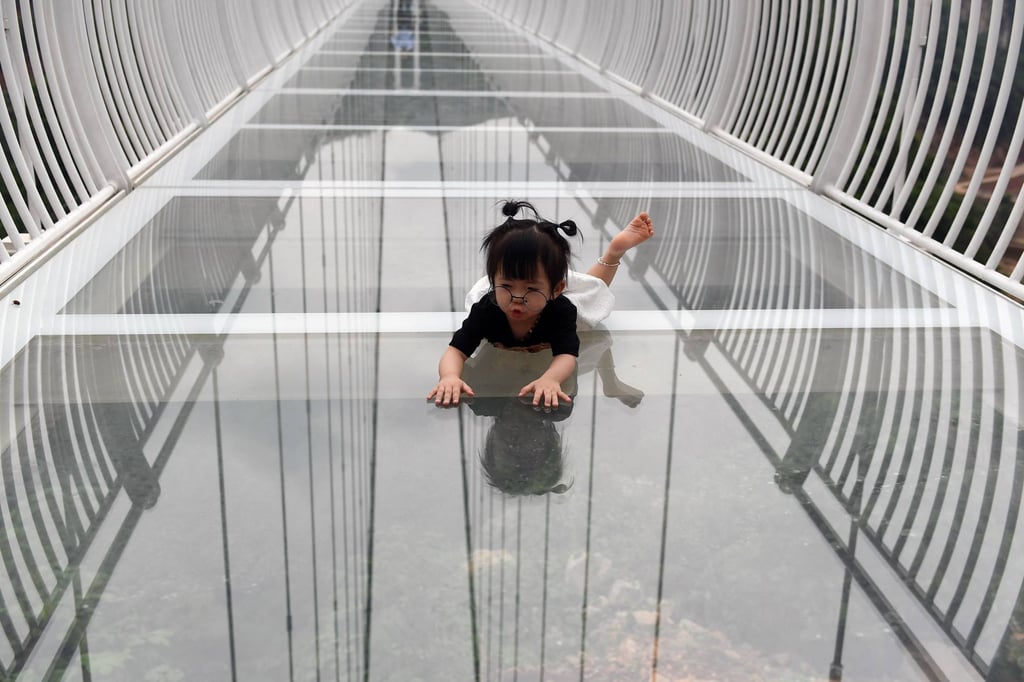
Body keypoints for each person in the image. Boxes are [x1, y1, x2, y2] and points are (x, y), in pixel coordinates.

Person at [427, 199, 654, 408]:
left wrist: (551, 378)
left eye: (530, 289)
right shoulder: (488, 307)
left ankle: (613, 253)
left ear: (556, 290)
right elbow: (455, 351)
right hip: (518, 305)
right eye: (507, 286)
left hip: (548, 309)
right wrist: (450, 377)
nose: (517, 298)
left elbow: (566, 355)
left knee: (590, 297)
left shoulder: (561, 309)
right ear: (493, 281)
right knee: (520, 287)